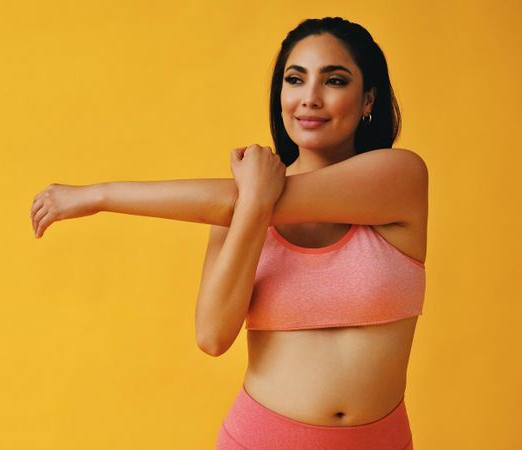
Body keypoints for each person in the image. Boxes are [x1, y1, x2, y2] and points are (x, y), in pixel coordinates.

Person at [30, 16, 427, 450]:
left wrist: (98, 195)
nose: (309, 98)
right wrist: (252, 206)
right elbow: (213, 337)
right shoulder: (235, 205)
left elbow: (244, 200)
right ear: (281, 96)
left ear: (368, 97)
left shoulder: (400, 176)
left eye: (334, 80)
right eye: (295, 80)